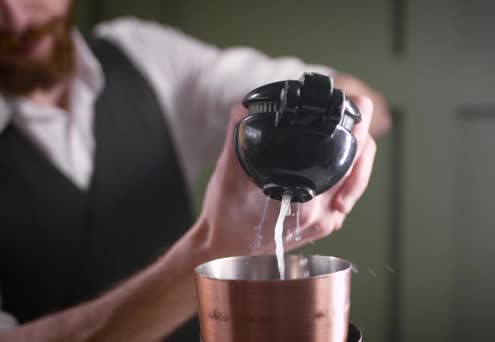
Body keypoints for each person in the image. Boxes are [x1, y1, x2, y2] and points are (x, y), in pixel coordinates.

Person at [0, 0, 390, 340]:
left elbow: (370, 104)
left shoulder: (143, 55)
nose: (15, 18)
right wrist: (217, 246)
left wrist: (335, 119)